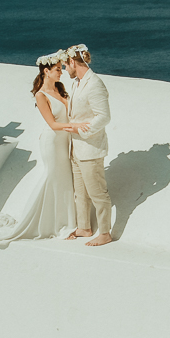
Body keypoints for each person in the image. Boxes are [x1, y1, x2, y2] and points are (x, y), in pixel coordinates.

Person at [0, 50, 78, 246]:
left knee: (65, 181)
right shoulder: (41, 95)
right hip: (52, 142)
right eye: (57, 69)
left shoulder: (60, 90)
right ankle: (47, 225)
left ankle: (66, 223)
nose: (61, 72)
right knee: (52, 179)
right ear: (46, 71)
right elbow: (53, 124)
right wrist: (75, 127)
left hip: (64, 142)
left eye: (61, 69)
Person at [63, 44, 112, 246]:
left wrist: (79, 130)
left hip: (90, 148)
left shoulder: (95, 84)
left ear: (73, 62)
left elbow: (104, 117)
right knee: (80, 192)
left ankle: (105, 233)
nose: (66, 69)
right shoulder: (77, 83)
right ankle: (84, 227)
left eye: (66, 65)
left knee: (97, 193)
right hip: (76, 148)